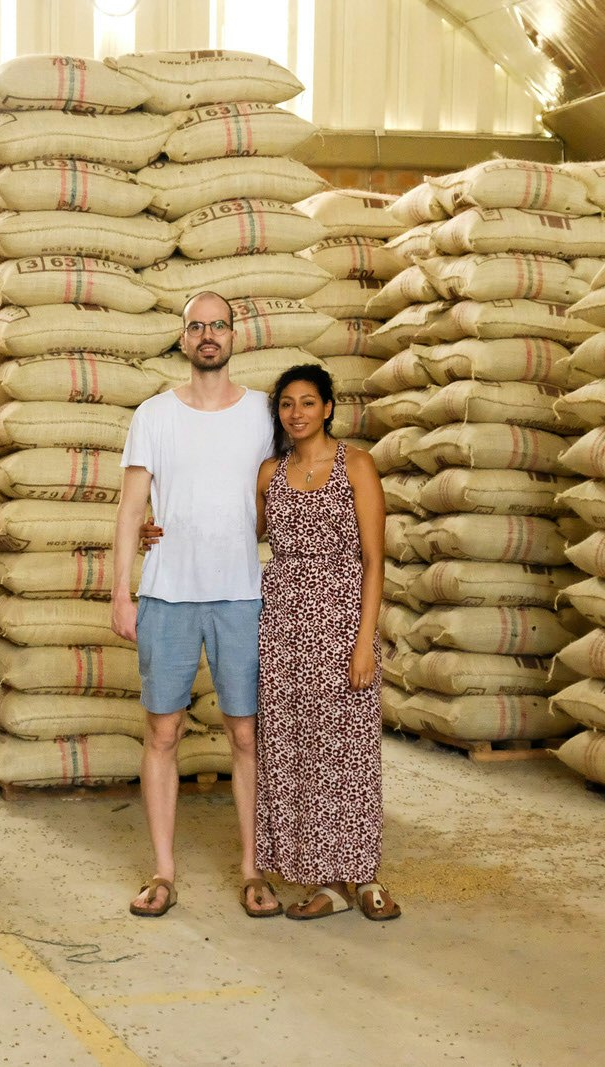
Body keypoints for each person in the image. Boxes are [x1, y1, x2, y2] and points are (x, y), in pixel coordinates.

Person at [111, 290, 284, 919]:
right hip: (167, 594)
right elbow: (132, 510)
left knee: (246, 733)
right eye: (196, 327)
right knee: (163, 730)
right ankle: (162, 871)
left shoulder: (266, 414)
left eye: (218, 326)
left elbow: (287, 500)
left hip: (243, 594)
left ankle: (253, 869)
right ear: (183, 339)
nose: (208, 335)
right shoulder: (154, 415)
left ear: (236, 335)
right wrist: (120, 592)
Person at [253, 364, 400, 921]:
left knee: (350, 754)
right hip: (283, 628)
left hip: (341, 625)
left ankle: (364, 876)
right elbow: (244, 536)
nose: (297, 413)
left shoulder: (356, 465)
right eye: (287, 404)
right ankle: (328, 882)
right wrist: (159, 530)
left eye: (308, 402)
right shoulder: (270, 471)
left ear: (329, 408)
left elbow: (373, 560)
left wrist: (364, 642)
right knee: (300, 754)